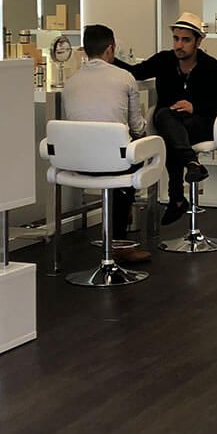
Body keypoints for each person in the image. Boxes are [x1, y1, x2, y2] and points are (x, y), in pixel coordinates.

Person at [115, 12, 217, 227]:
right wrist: (106, 59)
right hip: (171, 122)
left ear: (199, 41)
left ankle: (177, 197)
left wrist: (195, 107)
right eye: (176, 38)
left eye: (186, 40)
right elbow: (136, 72)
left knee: (168, 130)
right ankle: (190, 166)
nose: (179, 45)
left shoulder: (212, 67)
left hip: (200, 124)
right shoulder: (164, 60)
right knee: (165, 118)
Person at [63, 24, 151, 264]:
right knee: (137, 152)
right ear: (111, 49)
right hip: (114, 164)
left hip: (77, 163)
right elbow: (137, 126)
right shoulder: (125, 78)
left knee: (121, 154)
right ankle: (120, 244)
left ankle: (111, 243)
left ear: (85, 50)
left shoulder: (70, 82)